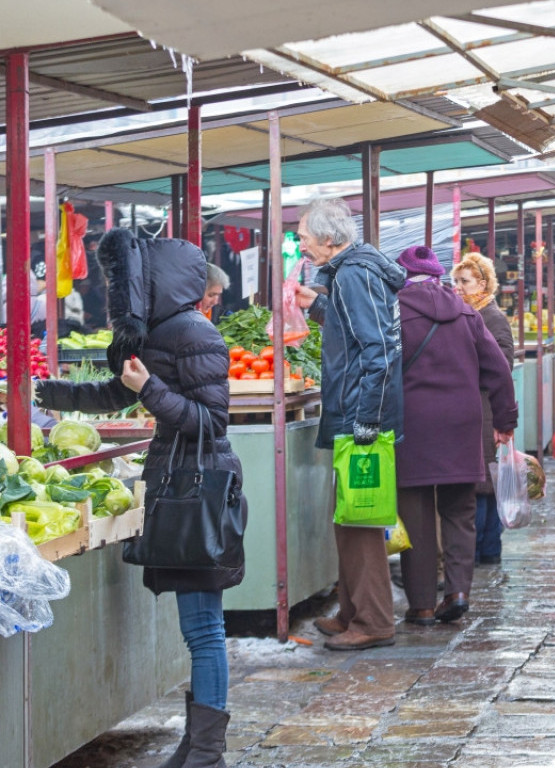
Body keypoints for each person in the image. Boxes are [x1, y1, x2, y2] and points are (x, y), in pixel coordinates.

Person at [36, 228, 244, 768]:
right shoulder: (159, 330)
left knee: (204, 628)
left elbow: (211, 422)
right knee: (198, 627)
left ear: (153, 282)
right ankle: (197, 746)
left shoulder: (197, 333)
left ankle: (206, 751)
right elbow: (115, 390)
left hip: (201, 487)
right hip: (177, 483)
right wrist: (44, 392)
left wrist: (149, 390)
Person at [294, 197, 406, 651]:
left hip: (361, 415)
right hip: (355, 409)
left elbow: (379, 351)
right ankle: (353, 609)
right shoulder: (349, 272)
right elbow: (353, 331)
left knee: (360, 519)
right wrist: (314, 306)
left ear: (329, 238)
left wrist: (366, 421)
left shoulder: (355, 273)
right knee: (349, 517)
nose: (300, 244)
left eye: (303, 235)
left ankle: (375, 621)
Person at [395, 245, 517, 625]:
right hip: (463, 424)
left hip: (413, 426)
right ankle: (458, 591)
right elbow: (499, 368)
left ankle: (421, 604)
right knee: (460, 511)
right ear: (437, 276)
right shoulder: (467, 312)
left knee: (415, 513)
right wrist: (505, 419)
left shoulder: (393, 312)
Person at [450, 251, 516, 561]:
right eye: (455, 282)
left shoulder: (491, 318)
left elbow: (501, 366)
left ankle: (484, 550)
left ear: (483, 284)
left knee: (483, 486)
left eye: (464, 282)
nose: (458, 288)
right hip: (477, 409)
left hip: (487, 409)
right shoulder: (469, 315)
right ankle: (487, 551)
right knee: (485, 484)